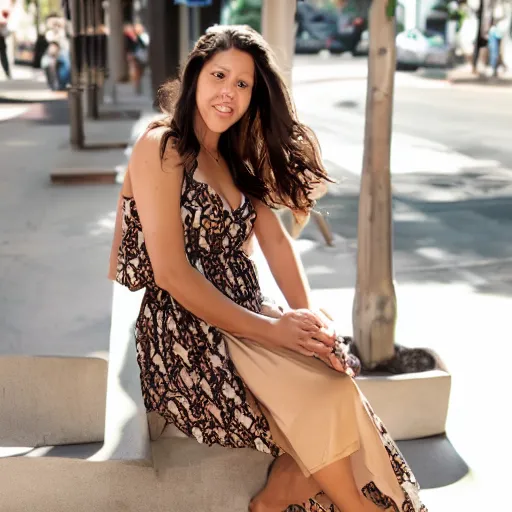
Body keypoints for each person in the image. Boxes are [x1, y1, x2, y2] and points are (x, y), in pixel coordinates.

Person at [109, 25, 426, 512]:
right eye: (219, 76)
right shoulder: (162, 147)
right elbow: (171, 272)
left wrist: (311, 321)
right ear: (195, 77)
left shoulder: (234, 156)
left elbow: (277, 244)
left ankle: (279, 498)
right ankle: (349, 506)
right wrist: (274, 331)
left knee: (336, 378)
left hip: (250, 318)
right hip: (184, 332)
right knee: (320, 400)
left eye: (243, 84)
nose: (228, 93)